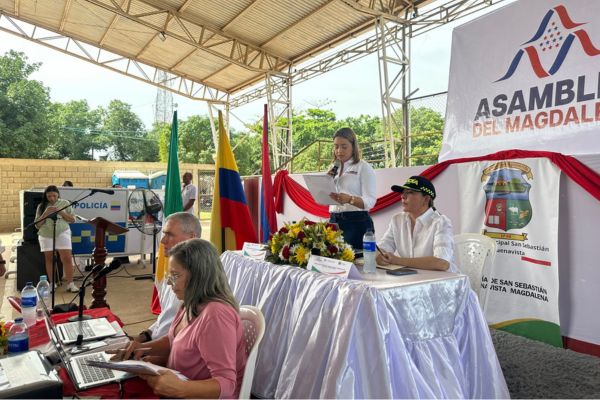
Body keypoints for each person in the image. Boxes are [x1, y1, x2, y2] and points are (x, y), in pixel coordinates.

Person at [111, 238, 247, 399]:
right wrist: (141, 347)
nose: (169, 282)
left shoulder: (216, 315)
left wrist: (181, 388)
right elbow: (173, 341)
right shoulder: (189, 303)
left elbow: (226, 384)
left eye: (175, 275)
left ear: (198, 276)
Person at [134, 212, 201, 342]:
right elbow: (166, 317)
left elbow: (178, 339)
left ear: (192, 237)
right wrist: (144, 336)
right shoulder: (174, 272)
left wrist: (143, 347)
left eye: (169, 235)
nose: (163, 241)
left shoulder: (198, 279)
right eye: (164, 234)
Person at [376, 176, 457, 272]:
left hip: (443, 283)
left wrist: (398, 260)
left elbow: (442, 263)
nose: (403, 196)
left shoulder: (441, 222)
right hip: (412, 280)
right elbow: (383, 248)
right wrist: (380, 256)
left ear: (426, 199)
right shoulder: (397, 220)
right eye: (403, 192)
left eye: (410, 192)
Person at [327, 127, 376, 250]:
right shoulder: (333, 168)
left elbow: (370, 201)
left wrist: (350, 199)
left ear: (353, 147)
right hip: (333, 220)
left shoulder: (363, 167)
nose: (339, 151)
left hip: (356, 222)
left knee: (356, 265)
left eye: (344, 146)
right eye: (336, 146)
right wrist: (325, 185)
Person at [35, 185, 78, 291]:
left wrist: (61, 212)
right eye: (49, 196)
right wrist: (46, 213)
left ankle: (70, 284)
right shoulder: (41, 206)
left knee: (67, 258)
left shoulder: (65, 203)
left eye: (54, 196)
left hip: (62, 232)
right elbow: (37, 225)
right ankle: (52, 283)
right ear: (45, 196)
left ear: (58, 194)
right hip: (45, 234)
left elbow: (73, 220)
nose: (52, 198)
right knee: (49, 259)